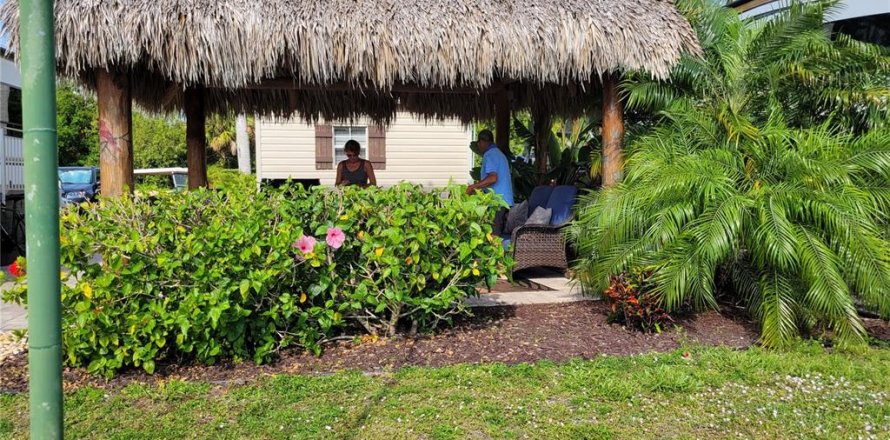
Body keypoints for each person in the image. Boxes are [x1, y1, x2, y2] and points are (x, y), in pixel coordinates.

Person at [466, 129, 513, 234]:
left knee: (494, 236)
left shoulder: (490, 154)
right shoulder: (497, 153)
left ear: (482, 142)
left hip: (498, 203)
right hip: (504, 202)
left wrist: (473, 187)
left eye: (479, 143)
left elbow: (492, 178)